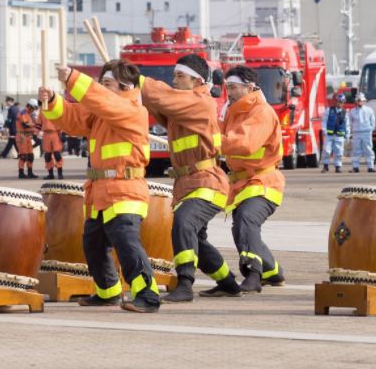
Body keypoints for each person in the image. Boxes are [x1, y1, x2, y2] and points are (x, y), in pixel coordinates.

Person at [39, 60, 161, 313]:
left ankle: (147, 294)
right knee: (93, 244)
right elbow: (74, 120)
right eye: (100, 84)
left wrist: (73, 78)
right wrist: (52, 101)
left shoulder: (130, 109)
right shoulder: (104, 110)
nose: (101, 89)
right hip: (100, 190)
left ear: (126, 87)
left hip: (125, 188)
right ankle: (108, 291)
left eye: (106, 84)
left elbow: (104, 101)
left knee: (126, 242)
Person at [138, 54, 240, 302]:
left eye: (179, 76)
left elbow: (163, 97)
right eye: (173, 75)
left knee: (183, 223)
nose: (174, 80)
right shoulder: (181, 104)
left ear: (196, 81)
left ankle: (185, 283)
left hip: (208, 181)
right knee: (196, 238)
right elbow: (157, 103)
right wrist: (130, 87)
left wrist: (137, 79)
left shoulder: (200, 102)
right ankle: (228, 282)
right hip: (187, 183)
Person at [219, 65, 286, 293]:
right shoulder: (231, 111)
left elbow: (244, 143)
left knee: (247, 220)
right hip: (240, 183)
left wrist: (213, 140)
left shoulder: (262, 112)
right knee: (241, 228)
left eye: (234, 87)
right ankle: (272, 271)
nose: (229, 92)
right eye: (227, 87)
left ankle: (253, 274)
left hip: (264, 181)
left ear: (249, 87)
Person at [349, 92, 376, 173]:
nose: (360, 102)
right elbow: (350, 122)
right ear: (356, 101)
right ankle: (355, 167)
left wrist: (370, 129)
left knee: (368, 149)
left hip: (366, 132)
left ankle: (370, 167)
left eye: (361, 101)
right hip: (357, 133)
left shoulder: (369, 110)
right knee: (356, 150)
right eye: (358, 101)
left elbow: (373, 121)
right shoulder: (352, 111)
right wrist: (351, 131)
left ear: (364, 101)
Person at [322, 94, 348, 173]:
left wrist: (347, 134)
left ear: (343, 102)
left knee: (339, 151)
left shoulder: (345, 112)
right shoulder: (329, 110)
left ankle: (338, 166)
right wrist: (324, 130)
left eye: (341, 102)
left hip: (339, 135)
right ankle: (325, 166)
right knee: (326, 150)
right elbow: (324, 120)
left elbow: (347, 124)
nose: (340, 103)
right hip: (329, 134)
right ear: (336, 102)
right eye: (338, 101)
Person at [16, 99, 40, 179]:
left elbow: (29, 126)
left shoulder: (28, 114)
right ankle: (21, 173)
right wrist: (35, 126)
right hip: (22, 136)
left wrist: (35, 133)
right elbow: (25, 125)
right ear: (29, 106)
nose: (33, 110)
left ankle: (30, 172)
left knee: (30, 156)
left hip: (27, 136)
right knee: (23, 156)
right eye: (33, 108)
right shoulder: (23, 113)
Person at [38, 107, 64, 179]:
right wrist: (35, 133)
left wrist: (63, 134)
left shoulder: (56, 108)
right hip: (46, 134)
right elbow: (38, 123)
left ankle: (60, 173)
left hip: (55, 133)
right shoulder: (42, 110)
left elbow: (62, 121)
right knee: (47, 155)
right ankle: (50, 174)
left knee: (57, 154)